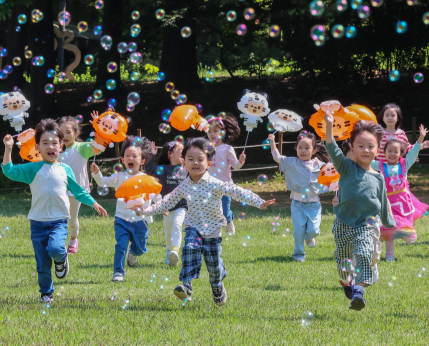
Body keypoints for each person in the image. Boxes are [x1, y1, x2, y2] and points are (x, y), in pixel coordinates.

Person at [136, 137, 274, 305]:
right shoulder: (184, 186)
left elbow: (236, 191)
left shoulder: (215, 183)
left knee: (213, 264)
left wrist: (259, 202)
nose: (195, 163)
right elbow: (166, 203)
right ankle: (186, 286)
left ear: (209, 163)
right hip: (193, 227)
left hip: (213, 229)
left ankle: (217, 285)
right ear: (183, 162)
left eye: (200, 159)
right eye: (190, 159)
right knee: (188, 251)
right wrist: (145, 210)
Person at [2, 119, 108, 304]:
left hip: (59, 221)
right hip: (37, 223)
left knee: (56, 248)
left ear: (61, 146)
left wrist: (93, 203)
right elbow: (9, 171)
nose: (50, 146)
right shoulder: (32, 168)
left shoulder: (65, 169)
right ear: (37, 147)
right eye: (45, 143)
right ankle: (46, 293)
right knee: (42, 264)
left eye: (54, 143)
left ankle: (61, 259)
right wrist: (9, 148)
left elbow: (78, 191)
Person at [324, 112, 396, 311]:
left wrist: (388, 221)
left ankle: (358, 292)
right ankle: (347, 282)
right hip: (343, 223)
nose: (366, 150)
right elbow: (331, 147)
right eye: (361, 146)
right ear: (353, 149)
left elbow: (382, 199)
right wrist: (329, 125)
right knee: (343, 262)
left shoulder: (379, 177)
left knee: (364, 253)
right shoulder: (346, 167)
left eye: (371, 146)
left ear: (378, 149)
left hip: (367, 224)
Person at [91, 135, 155, 282]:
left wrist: (161, 206)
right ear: (123, 160)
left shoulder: (146, 179)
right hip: (122, 219)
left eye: (135, 156)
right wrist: (96, 173)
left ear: (142, 160)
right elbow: (102, 182)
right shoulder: (119, 177)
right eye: (127, 156)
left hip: (140, 220)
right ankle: (118, 272)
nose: (130, 158)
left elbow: (155, 194)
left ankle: (133, 253)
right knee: (121, 245)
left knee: (140, 249)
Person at [267, 132, 329, 262]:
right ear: (296, 148)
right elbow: (277, 157)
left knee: (314, 231)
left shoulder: (319, 165)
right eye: (300, 147)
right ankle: (299, 254)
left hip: (314, 205)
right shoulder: (292, 162)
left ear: (314, 150)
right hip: (297, 204)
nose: (303, 151)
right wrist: (272, 141)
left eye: (307, 148)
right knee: (298, 231)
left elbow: (331, 174)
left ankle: (309, 236)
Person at [373, 125, 429, 261]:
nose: (392, 154)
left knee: (403, 226)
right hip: (386, 203)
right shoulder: (378, 165)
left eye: (396, 151)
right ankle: (389, 256)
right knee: (388, 230)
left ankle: (406, 234)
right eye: (389, 151)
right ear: (384, 152)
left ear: (401, 154)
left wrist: (421, 138)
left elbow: (414, 151)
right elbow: (364, 160)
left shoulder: (404, 164)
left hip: (404, 202)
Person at [57, 116, 96, 255]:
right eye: (61, 132)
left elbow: (99, 145)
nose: (64, 136)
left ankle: (73, 240)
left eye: (68, 132)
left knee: (72, 219)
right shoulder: (55, 149)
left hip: (76, 191)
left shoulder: (82, 148)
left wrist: (98, 126)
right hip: (58, 190)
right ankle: (59, 241)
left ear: (76, 133)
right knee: (58, 217)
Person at [145, 139, 187, 267]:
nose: (183, 152)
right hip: (167, 206)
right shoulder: (163, 169)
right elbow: (149, 170)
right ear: (170, 155)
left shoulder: (187, 169)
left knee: (177, 224)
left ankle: (175, 250)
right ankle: (169, 252)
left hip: (182, 205)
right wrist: (152, 155)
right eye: (179, 150)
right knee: (168, 231)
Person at [206, 115, 246, 236]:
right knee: (211, 210)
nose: (212, 134)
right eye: (209, 131)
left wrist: (241, 161)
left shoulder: (227, 148)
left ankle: (229, 219)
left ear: (223, 132)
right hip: (210, 186)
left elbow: (235, 166)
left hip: (225, 186)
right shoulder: (206, 148)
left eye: (215, 131)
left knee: (224, 210)